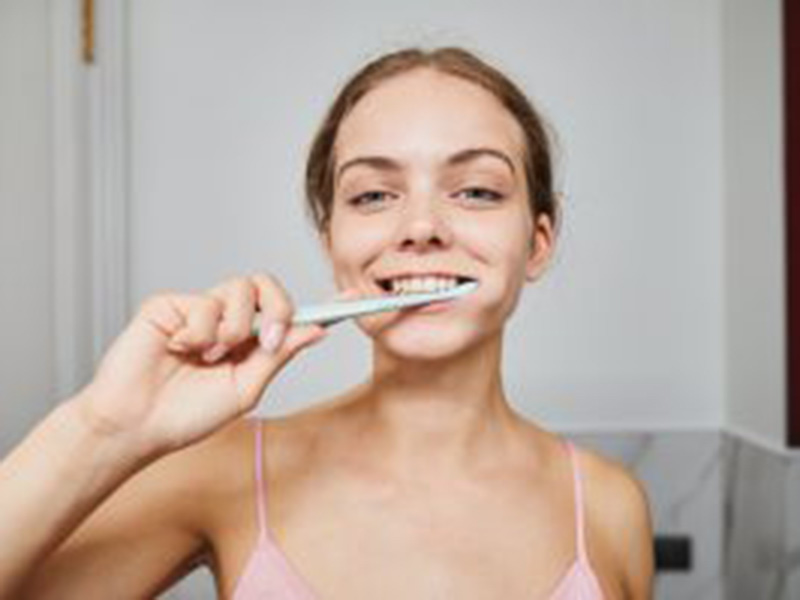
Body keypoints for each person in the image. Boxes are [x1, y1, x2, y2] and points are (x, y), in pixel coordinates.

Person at [0, 47, 654, 599]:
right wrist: (104, 428)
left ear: (539, 240)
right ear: (331, 241)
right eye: (373, 195)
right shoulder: (224, 471)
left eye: (476, 190)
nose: (420, 228)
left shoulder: (607, 506)